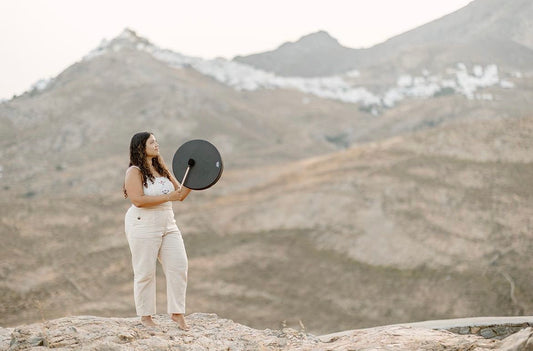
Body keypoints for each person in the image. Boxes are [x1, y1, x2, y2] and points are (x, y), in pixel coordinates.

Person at [123, 132, 192, 329]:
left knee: (179, 266)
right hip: (142, 223)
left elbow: (179, 195)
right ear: (140, 147)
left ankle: (177, 312)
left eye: (156, 141)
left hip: (168, 223)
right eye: (151, 142)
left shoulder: (162, 169)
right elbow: (137, 200)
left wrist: (195, 176)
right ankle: (146, 316)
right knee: (145, 271)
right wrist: (168, 197)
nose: (156, 144)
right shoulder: (134, 171)